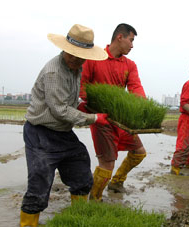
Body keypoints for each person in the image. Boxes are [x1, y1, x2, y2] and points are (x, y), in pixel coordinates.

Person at [20, 24, 108, 227]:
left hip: (62, 133)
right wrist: (94, 118)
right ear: (65, 49)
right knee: (40, 182)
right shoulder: (54, 72)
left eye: (81, 56)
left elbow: (69, 100)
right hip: (40, 133)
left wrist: (82, 105)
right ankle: (27, 224)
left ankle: (76, 219)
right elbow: (59, 110)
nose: (76, 59)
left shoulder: (76, 68)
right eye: (72, 55)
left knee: (81, 170)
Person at [79, 23, 147, 201]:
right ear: (120, 37)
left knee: (139, 152)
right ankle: (95, 199)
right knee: (107, 162)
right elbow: (82, 86)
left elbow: (136, 88)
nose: (132, 45)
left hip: (120, 119)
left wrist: (143, 108)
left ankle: (116, 181)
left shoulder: (129, 65)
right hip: (101, 120)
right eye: (131, 40)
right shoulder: (95, 59)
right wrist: (93, 107)